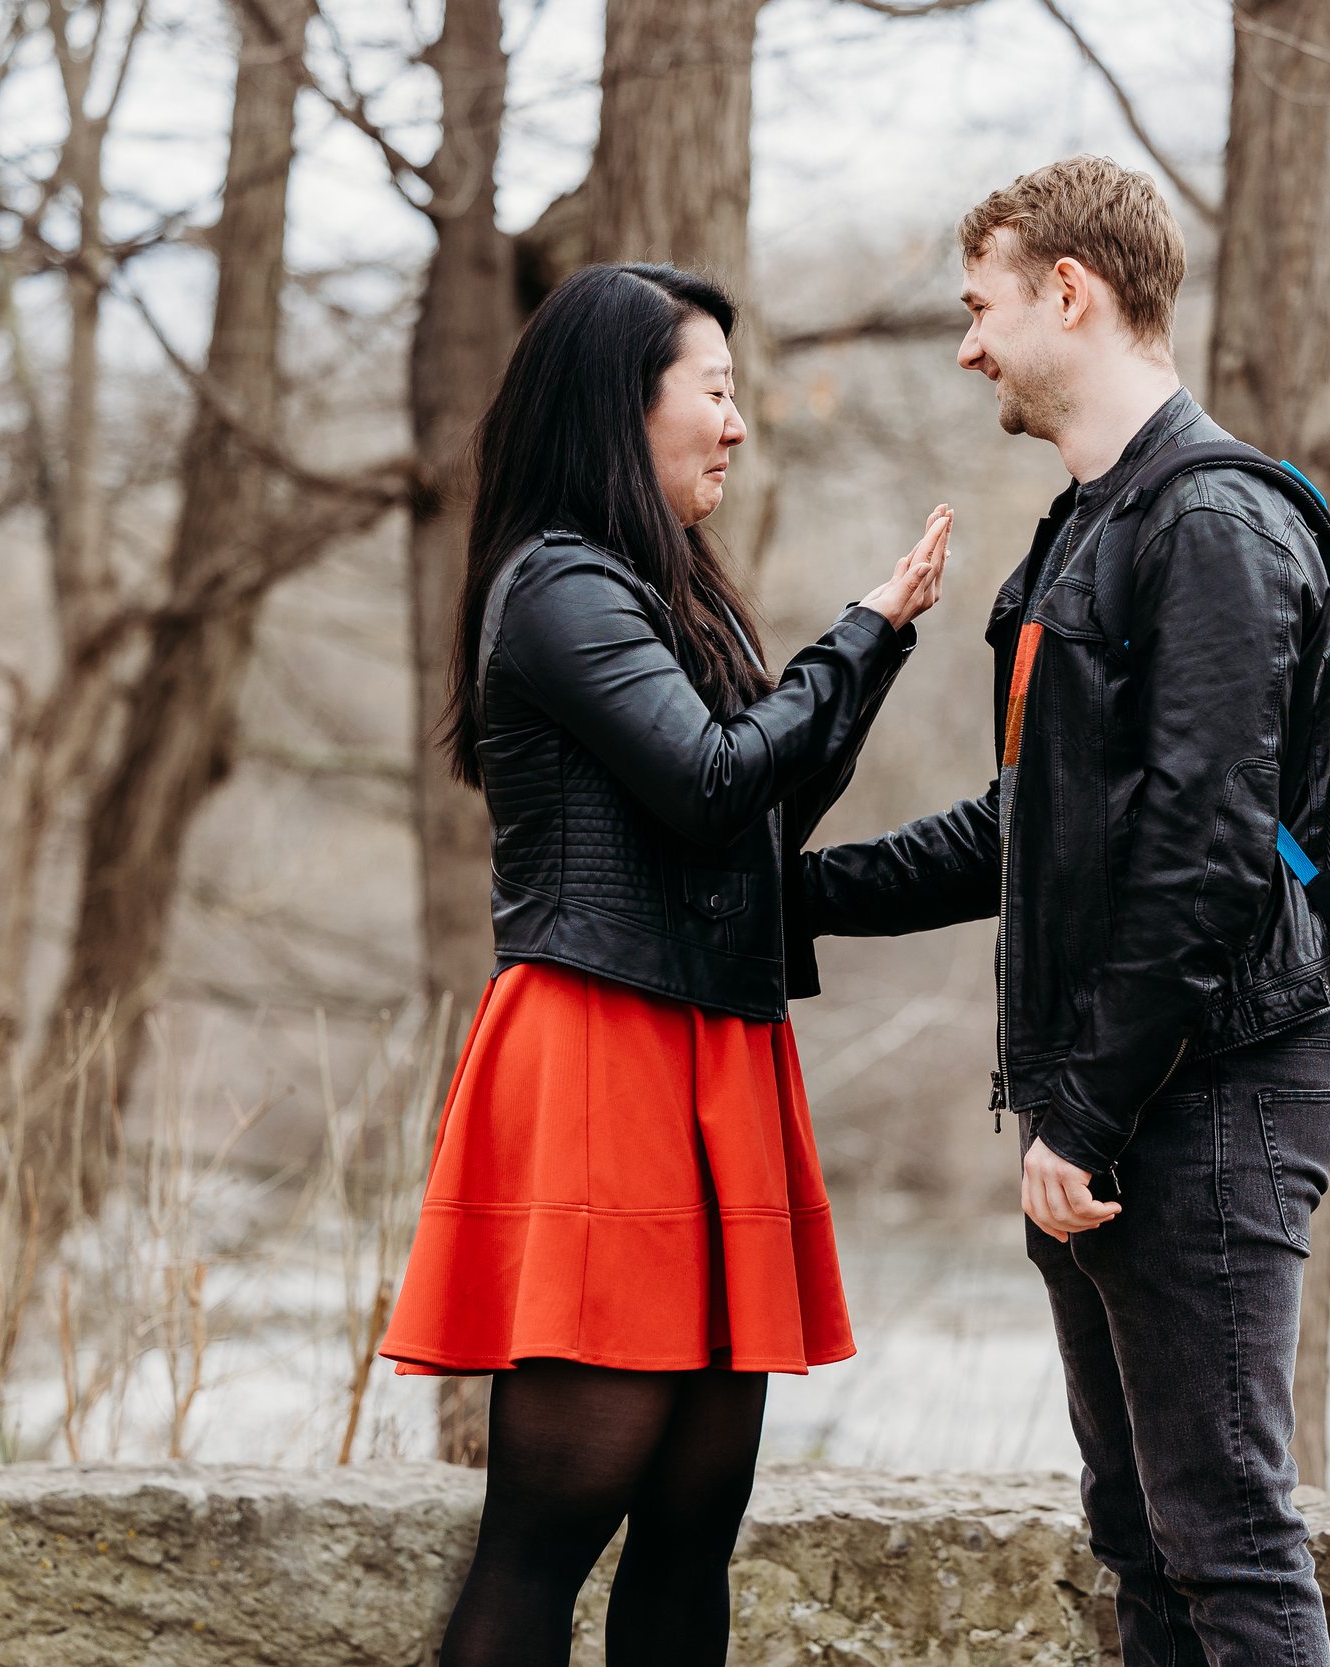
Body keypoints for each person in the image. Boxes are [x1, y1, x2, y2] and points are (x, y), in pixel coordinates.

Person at [798, 157, 1330, 1666]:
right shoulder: (1080, 532)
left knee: (1227, 1540)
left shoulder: (1215, 526)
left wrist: (1087, 1117)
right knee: (1143, 1542)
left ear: (1069, 293)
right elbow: (1024, 828)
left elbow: (1210, 854)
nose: (967, 346)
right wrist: (786, 899)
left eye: (979, 308)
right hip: (1101, 1110)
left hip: (1205, 1101)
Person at [377, 261, 952, 1666]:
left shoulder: (662, 587)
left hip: (711, 1050)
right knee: (550, 1527)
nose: (738, 423)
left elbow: (751, 820)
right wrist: (859, 637)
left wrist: (866, 660)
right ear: (623, 407)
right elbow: (708, 783)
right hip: (601, 1047)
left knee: (697, 1521)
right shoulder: (560, 586)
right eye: (715, 390)